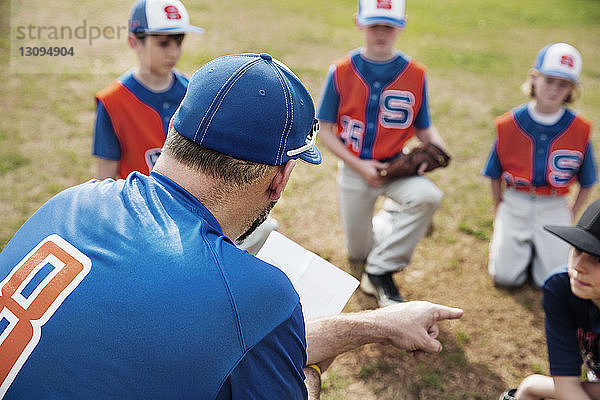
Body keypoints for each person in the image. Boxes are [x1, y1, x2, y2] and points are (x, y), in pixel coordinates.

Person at [0, 52, 463, 399]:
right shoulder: (249, 291)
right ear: (279, 178)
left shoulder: (72, 200)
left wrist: (377, 325)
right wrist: (313, 374)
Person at [91, 0, 276, 253]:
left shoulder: (194, 90)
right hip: (143, 215)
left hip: (194, 207)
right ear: (134, 41)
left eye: (178, 41)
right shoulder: (113, 101)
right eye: (163, 43)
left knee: (264, 229)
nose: (173, 52)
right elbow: (106, 178)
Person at [316, 0, 446, 307]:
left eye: (388, 25)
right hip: (354, 169)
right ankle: (391, 217)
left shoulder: (415, 73)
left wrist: (438, 150)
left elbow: (424, 128)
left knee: (429, 197)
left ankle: (380, 270)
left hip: (395, 168)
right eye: (374, 25)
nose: (381, 32)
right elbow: (325, 130)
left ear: (401, 26)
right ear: (359, 23)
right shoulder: (341, 70)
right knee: (358, 252)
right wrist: (359, 166)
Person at [482, 42, 597, 289]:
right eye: (549, 80)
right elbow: (494, 172)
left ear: (572, 89)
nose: (554, 89)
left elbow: (588, 180)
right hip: (516, 198)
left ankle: (533, 250)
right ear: (534, 78)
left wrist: (571, 213)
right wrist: (499, 206)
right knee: (505, 278)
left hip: (554, 203)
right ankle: (514, 245)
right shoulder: (509, 123)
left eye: (563, 83)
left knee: (548, 279)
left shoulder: (579, 128)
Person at [499, 198, 600, 400]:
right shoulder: (561, 287)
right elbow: (566, 384)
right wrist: (531, 387)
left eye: (597, 258)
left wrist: (535, 386)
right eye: (578, 249)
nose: (578, 266)